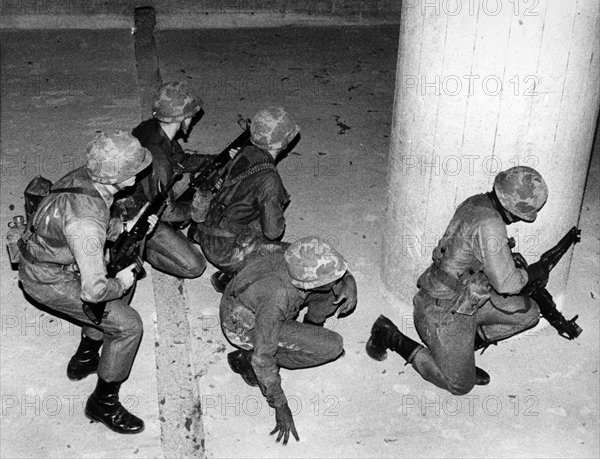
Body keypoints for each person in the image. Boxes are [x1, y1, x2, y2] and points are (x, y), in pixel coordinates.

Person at [18, 131, 157, 434]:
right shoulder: (86, 221)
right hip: (47, 278)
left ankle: (84, 358)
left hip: (55, 258)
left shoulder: (86, 176)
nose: (139, 172)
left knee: (114, 293)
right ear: (118, 176)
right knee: (128, 324)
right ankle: (102, 403)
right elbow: (93, 291)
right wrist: (118, 283)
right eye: (133, 168)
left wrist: (125, 227)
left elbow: (94, 214)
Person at [366, 166, 550, 395]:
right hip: (440, 310)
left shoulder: (478, 203)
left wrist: (506, 259)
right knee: (460, 385)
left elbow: (467, 252)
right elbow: (507, 285)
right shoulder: (491, 225)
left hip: (464, 295)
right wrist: (533, 272)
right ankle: (390, 335)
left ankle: (459, 353)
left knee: (529, 314)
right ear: (516, 210)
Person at [220, 237, 358, 445]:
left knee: (332, 293)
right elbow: (263, 357)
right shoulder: (279, 297)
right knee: (332, 347)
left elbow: (335, 271)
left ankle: (310, 329)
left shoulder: (298, 256)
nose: (339, 280)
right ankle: (244, 358)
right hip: (243, 325)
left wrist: (349, 282)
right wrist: (280, 405)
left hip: (252, 295)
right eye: (335, 278)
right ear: (307, 283)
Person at [194, 106, 299, 292]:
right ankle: (233, 277)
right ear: (283, 143)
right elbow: (274, 232)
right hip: (225, 251)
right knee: (294, 258)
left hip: (206, 230)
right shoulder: (269, 179)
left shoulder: (244, 152)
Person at [122, 80, 212, 279]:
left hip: (144, 194)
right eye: (192, 116)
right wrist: (193, 209)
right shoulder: (159, 159)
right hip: (140, 212)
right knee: (195, 266)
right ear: (184, 118)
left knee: (198, 175)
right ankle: (145, 250)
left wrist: (215, 160)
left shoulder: (152, 129)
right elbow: (167, 211)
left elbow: (182, 161)